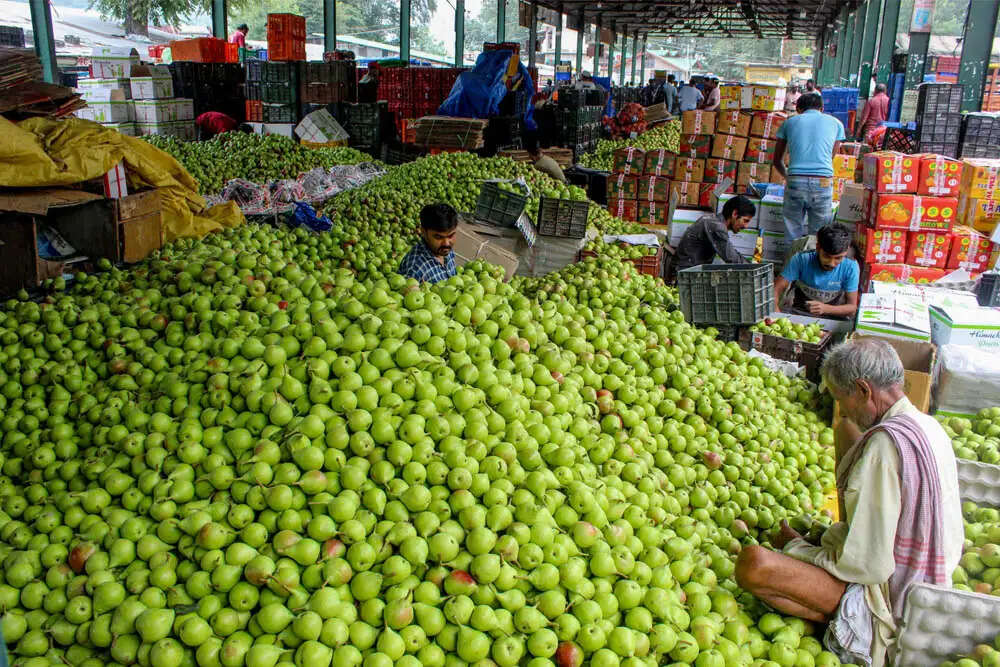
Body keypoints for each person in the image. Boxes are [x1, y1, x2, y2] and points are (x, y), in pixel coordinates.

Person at [735, 337, 962, 667]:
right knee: (845, 433)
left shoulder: (885, 449)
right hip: (932, 586)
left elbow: (869, 566)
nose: (846, 411)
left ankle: (845, 631)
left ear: (863, 390)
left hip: (888, 602)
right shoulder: (929, 427)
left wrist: (799, 549)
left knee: (754, 563)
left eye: (844, 399)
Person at [773, 92, 846, 239]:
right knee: (819, 235)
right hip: (823, 181)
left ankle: (793, 260)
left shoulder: (789, 122)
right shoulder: (836, 124)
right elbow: (830, 156)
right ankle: (814, 260)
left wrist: (789, 177)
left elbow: (776, 160)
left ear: (799, 109)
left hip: (795, 179)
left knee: (792, 232)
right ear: (822, 108)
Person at [774, 223, 860, 320]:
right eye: (827, 256)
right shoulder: (801, 259)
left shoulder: (850, 266)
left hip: (832, 318)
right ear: (818, 248)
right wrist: (776, 317)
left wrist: (826, 309)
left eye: (838, 258)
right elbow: (775, 290)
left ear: (846, 251)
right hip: (799, 314)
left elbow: (852, 308)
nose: (831, 263)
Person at [674, 195, 756, 271]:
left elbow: (731, 253)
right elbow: (731, 258)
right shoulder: (716, 227)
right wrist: (754, 268)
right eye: (745, 220)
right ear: (735, 214)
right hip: (684, 273)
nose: (746, 226)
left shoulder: (714, 221)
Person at [398, 203, 458, 284]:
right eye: (438, 237)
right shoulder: (416, 269)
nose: (446, 243)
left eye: (451, 236)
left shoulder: (444, 249)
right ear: (423, 232)